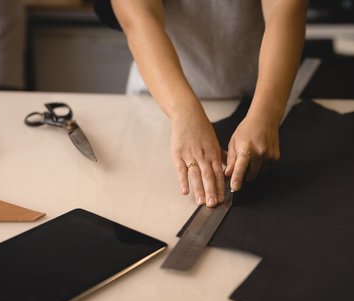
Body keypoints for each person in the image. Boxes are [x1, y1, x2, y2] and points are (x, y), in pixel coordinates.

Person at [98, 0, 307, 207]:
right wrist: (183, 112)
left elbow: (285, 9)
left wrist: (266, 115)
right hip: (157, 102)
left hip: (260, 96)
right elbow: (138, 18)